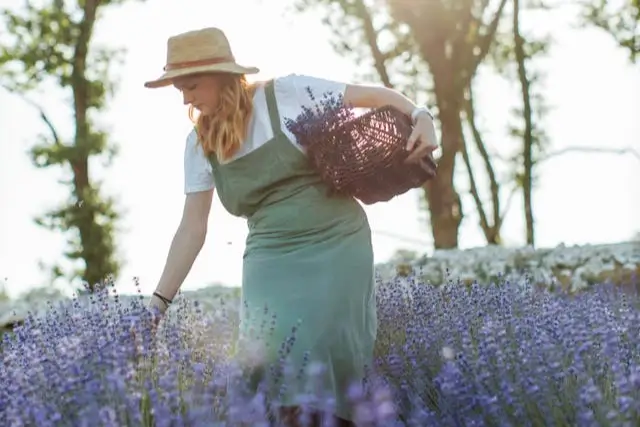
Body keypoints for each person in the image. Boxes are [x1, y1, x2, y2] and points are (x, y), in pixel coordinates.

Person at [144, 27, 439, 426]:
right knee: (268, 367)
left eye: (192, 86)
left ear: (221, 75)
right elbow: (192, 229)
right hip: (269, 260)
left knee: (324, 369)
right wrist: (157, 305)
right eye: (180, 89)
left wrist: (422, 116)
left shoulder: (285, 94)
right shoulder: (199, 145)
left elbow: (371, 96)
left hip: (337, 245)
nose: (185, 99)